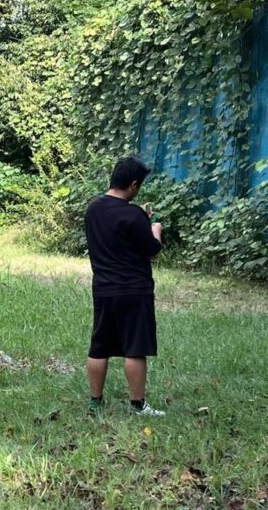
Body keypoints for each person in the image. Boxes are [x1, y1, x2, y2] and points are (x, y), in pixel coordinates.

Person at [85, 156, 165, 416]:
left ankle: (95, 401)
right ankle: (137, 405)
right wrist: (154, 229)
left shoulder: (93, 209)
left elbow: (114, 230)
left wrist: (140, 217)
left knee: (99, 347)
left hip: (103, 288)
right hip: (134, 289)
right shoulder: (134, 215)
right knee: (135, 348)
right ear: (133, 184)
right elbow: (151, 249)